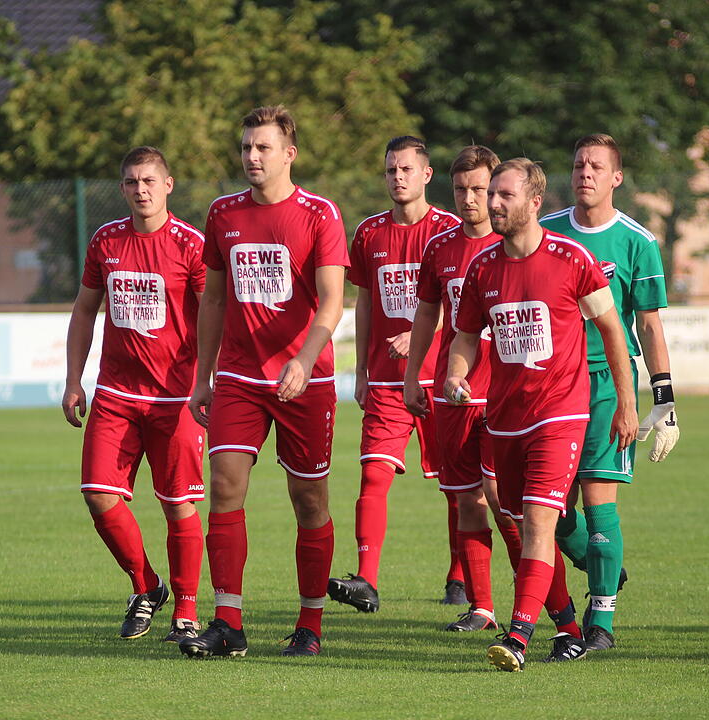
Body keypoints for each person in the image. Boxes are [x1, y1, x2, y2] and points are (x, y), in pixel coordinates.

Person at [445, 158, 638, 671]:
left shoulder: (571, 259)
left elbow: (613, 330)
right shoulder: (482, 267)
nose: (493, 203)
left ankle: (518, 636)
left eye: (504, 195)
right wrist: (456, 373)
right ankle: (568, 629)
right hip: (506, 418)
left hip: (560, 414)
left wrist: (627, 402)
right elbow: (466, 336)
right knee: (530, 524)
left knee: (536, 522)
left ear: (534, 202)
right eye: (492, 194)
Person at [181, 105, 348, 658]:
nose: (251, 157)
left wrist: (304, 359)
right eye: (246, 147)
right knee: (225, 486)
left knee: (309, 500)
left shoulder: (320, 214)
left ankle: (310, 624)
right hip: (238, 377)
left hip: (306, 381)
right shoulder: (223, 213)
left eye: (263, 147)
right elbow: (213, 300)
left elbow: (332, 302)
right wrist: (202, 377)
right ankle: (228, 623)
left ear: (289, 154)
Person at [62, 146, 206, 643]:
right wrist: (73, 380)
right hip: (116, 394)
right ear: (122, 188)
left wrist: (208, 382)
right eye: (130, 182)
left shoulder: (191, 244)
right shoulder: (106, 240)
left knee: (178, 504)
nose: (140, 190)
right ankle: (147, 586)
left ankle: (185, 612)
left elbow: (214, 316)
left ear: (168, 185)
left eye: (148, 181)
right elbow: (85, 310)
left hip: (177, 397)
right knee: (98, 495)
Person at [540, 133, 677, 651]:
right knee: (549, 511)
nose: (585, 173)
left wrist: (663, 401)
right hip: (550, 386)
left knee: (599, 503)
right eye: (579, 164)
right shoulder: (546, 232)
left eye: (597, 166)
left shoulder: (637, 241)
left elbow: (649, 325)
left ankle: (600, 622)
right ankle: (602, 564)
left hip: (605, 385)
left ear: (616, 177)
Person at [327, 136, 462, 614]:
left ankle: (460, 576)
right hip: (386, 380)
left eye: (406, 169)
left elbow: (461, 300)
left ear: (426, 174)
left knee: (457, 485)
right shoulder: (368, 233)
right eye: (391, 170)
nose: (398, 177)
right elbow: (364, 302)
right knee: (373, 474)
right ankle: (366, 578)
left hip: (444, 379)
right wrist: (361, 369)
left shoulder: (450, 230)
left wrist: (420, 335)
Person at [405, 145, 524, 632]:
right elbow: (426, 316)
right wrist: (413, 376)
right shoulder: (440, 248)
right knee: (466, 499)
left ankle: (532, 594)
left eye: (479, 189)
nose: (471, 199)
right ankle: (482, 607)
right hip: (453, 394)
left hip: (503, 395)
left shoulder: (515, 246)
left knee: (502, 498)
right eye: (461, 189)